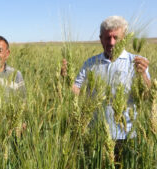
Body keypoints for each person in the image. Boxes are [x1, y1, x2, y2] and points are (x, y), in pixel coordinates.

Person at [62, 16, 151, 159]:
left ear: (125, 38)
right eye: (107, 38)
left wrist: (144, 77)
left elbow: (148, 96)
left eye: (116, 37)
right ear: (100, 39)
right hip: (96, 134)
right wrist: (66, 79)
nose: (111, 43)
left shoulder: (136, 62)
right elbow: (76, 90)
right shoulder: (91, 63)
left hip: (127, 135)